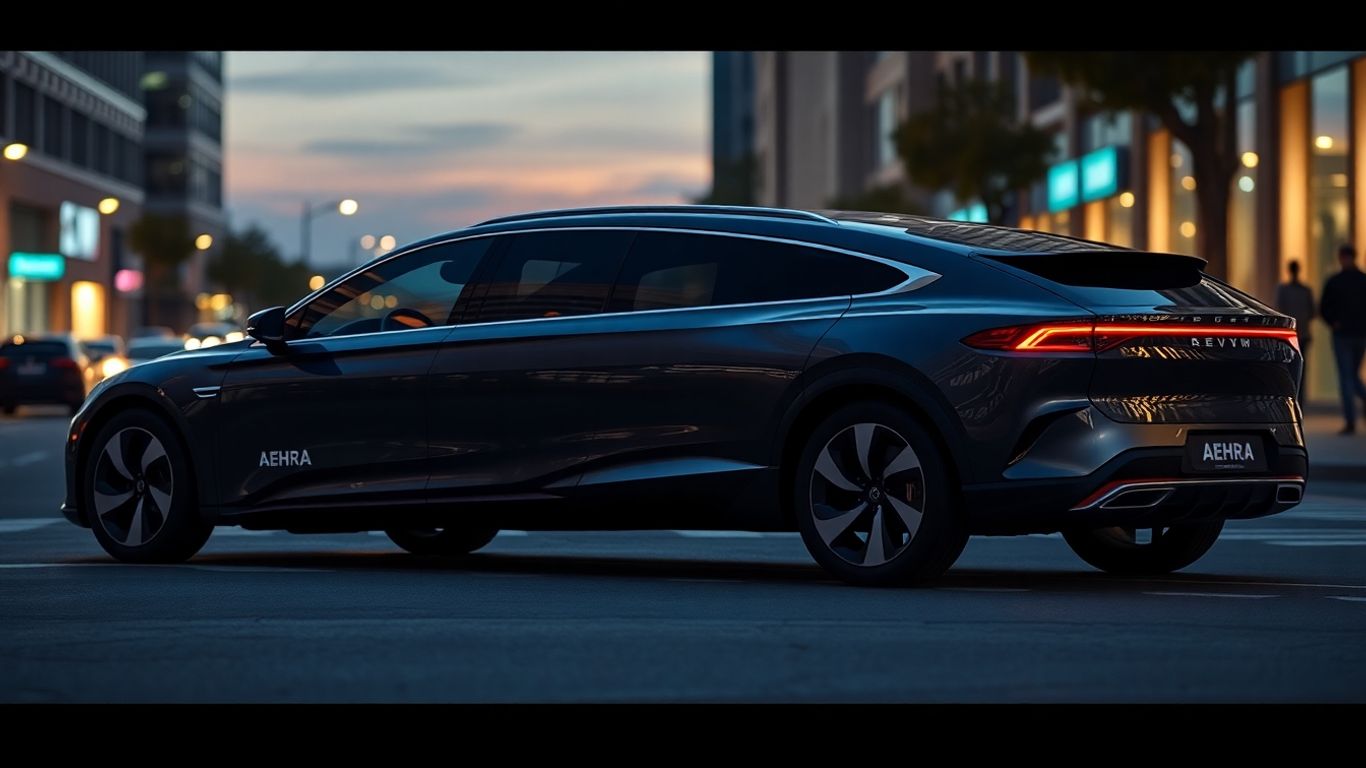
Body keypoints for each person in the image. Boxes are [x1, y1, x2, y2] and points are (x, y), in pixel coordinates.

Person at [1321, 243, 1366, 434]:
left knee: (1347, 377)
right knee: (1352, 375)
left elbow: (1324, 307)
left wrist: (1333, 322)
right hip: (1359, 333)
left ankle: (1350, 421)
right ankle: (1355, 412)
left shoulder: (1335, 281)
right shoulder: (1363, 280)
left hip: (1343, 334)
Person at [1276, 260, 1314, 400]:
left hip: (1289, 335)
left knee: (1289, 370)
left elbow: (1279, 309)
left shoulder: (1283, 290)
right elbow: (1312, 312)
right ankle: (1299, 400)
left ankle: (1293, 398)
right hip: (1302, 334)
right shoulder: (1305, 290)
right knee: (1301, 370)